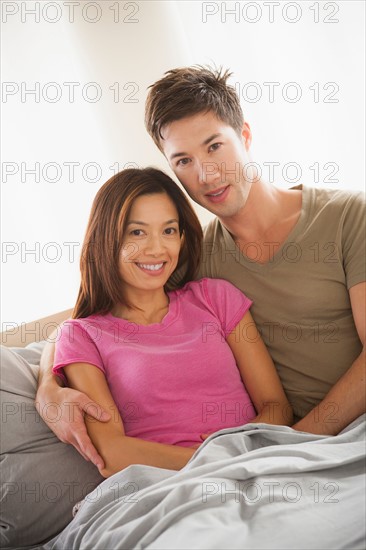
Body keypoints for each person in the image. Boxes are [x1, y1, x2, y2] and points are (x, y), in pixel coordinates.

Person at [36, 66, 365, 469]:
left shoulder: (349, 217)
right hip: (275, 454)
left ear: (244, 136)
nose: (206, 174)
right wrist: (47, 388)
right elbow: (97, 317)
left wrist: (295, 444)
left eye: (214, 147)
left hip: (329, 436)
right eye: (184, 160)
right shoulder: (194, 257)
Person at [46, 167, 292, 477]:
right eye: (137, 232)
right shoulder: (83, 335)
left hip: (258, 465)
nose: (157, 248)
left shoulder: (215, 297)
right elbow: (111, 453)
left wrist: (238, 453)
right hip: (169, 484)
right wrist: (212, 461)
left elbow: (277, 407)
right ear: (107, 239)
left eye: (169, 230)